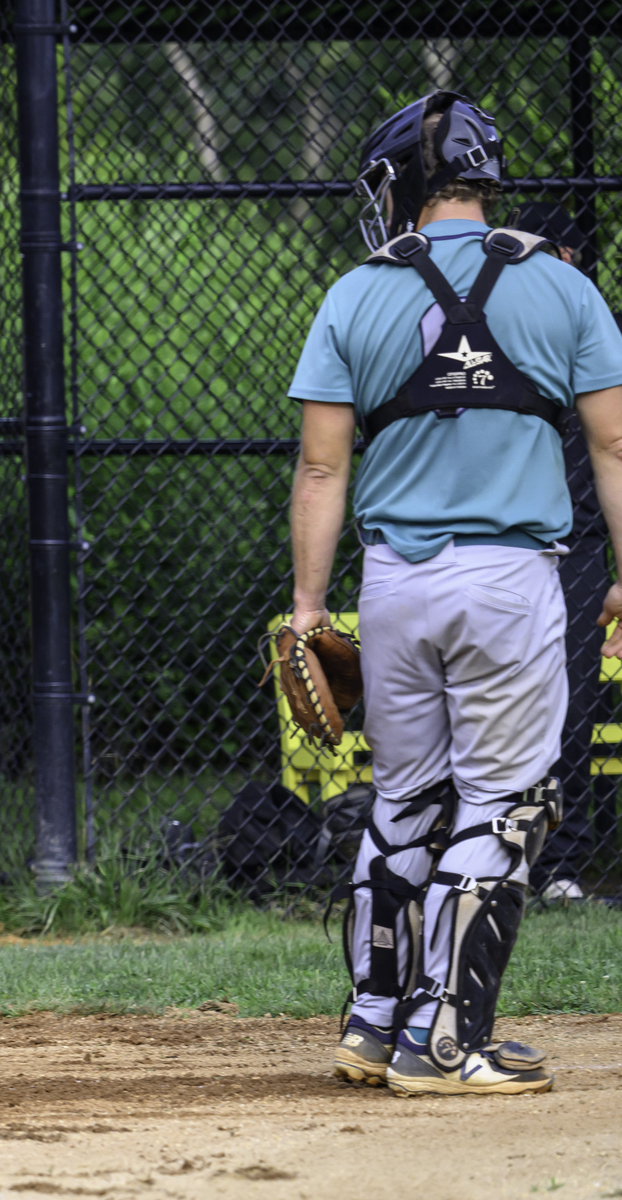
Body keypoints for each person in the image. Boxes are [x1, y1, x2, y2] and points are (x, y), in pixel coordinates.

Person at [286, 92, 622, 1096]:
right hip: (511, 579)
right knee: (503, 805)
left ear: (410, 187)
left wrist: (309, 609)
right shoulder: (561, 288)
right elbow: (612, 442)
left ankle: (375, 1021)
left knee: (405, 801)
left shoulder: (355, 294)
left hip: (395, 583)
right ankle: (447, 1040)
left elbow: (318, 469)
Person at [509, 201, 622, 902]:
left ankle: (560, 864)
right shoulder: (496, 331)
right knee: (500, 701)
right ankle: (493, 851)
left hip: (579, 548)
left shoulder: (596, 333)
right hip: (509, 543)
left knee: (574, 707)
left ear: (568, 261)